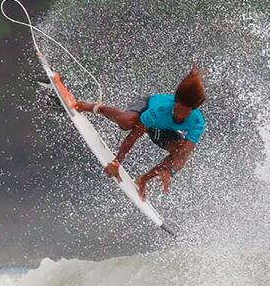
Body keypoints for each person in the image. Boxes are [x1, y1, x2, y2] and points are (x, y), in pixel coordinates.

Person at [74, 64, 206, 200]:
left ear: (193, 109)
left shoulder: (197, 123)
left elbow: (184, 154)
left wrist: (170, 172)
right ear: (175, 102)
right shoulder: (160, 109)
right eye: (177, 109)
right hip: (145, 109)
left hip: (161, 128)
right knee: (126, 122)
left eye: (184, 113)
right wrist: (116, 163)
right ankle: (95, 107)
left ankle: (143, 180)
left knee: (179, 151)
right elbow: (134, 136)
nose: (178, 115)